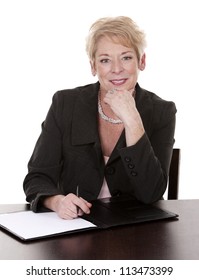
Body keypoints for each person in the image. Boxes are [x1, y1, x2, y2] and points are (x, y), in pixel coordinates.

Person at [23, 16, 176, 220]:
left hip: (135, 231)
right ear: (93, 66)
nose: (116, 69)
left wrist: (132, 121)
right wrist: (57, 201)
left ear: (142, 61)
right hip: (74, 228)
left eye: (126, 57)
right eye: (105, 60)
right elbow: (37, 178)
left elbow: (152, 193)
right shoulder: (65, 104)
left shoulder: (161, 111)